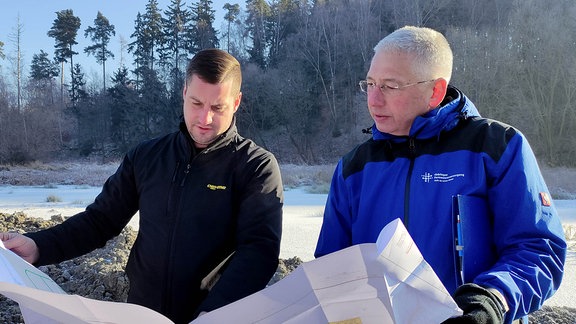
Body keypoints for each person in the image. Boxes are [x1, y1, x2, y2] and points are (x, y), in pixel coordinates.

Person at [0, 49, 283, 324]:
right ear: (184, 93)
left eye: (217, 107)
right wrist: (38, 246)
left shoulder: (256, 166)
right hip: (142, 312)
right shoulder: (147, 156)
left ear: (236, 103)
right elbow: (100, 221)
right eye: (196, 103)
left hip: (214, 315)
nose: (204, 119)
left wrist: (216, 313)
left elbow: (259, 250)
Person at [314, 26, 566, 323]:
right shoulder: (354, 167)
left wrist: (493, 299)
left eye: (390, 86)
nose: (374, 100)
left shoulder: (496, 147)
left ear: (435, 90)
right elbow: (331, 269)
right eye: (370, 84)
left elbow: (538, 250)